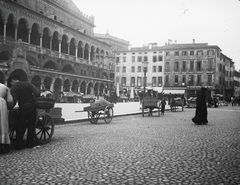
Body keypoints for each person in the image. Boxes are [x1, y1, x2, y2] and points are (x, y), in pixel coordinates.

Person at [10, 76, 40, 150]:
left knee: (20, 125)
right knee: (31, 125)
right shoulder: (28, 84)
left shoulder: (14, 88)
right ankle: (29, 143)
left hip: (23, 107)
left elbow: (14, 100)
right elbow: (37, 93)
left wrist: (11, 108)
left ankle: (19, 145)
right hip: (32, 107)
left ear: (14, 81)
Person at [0, 83, 13, 153]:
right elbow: (10, 100)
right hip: (1, 104)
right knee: (2, 122)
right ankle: (3, 144)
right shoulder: (5, 87)